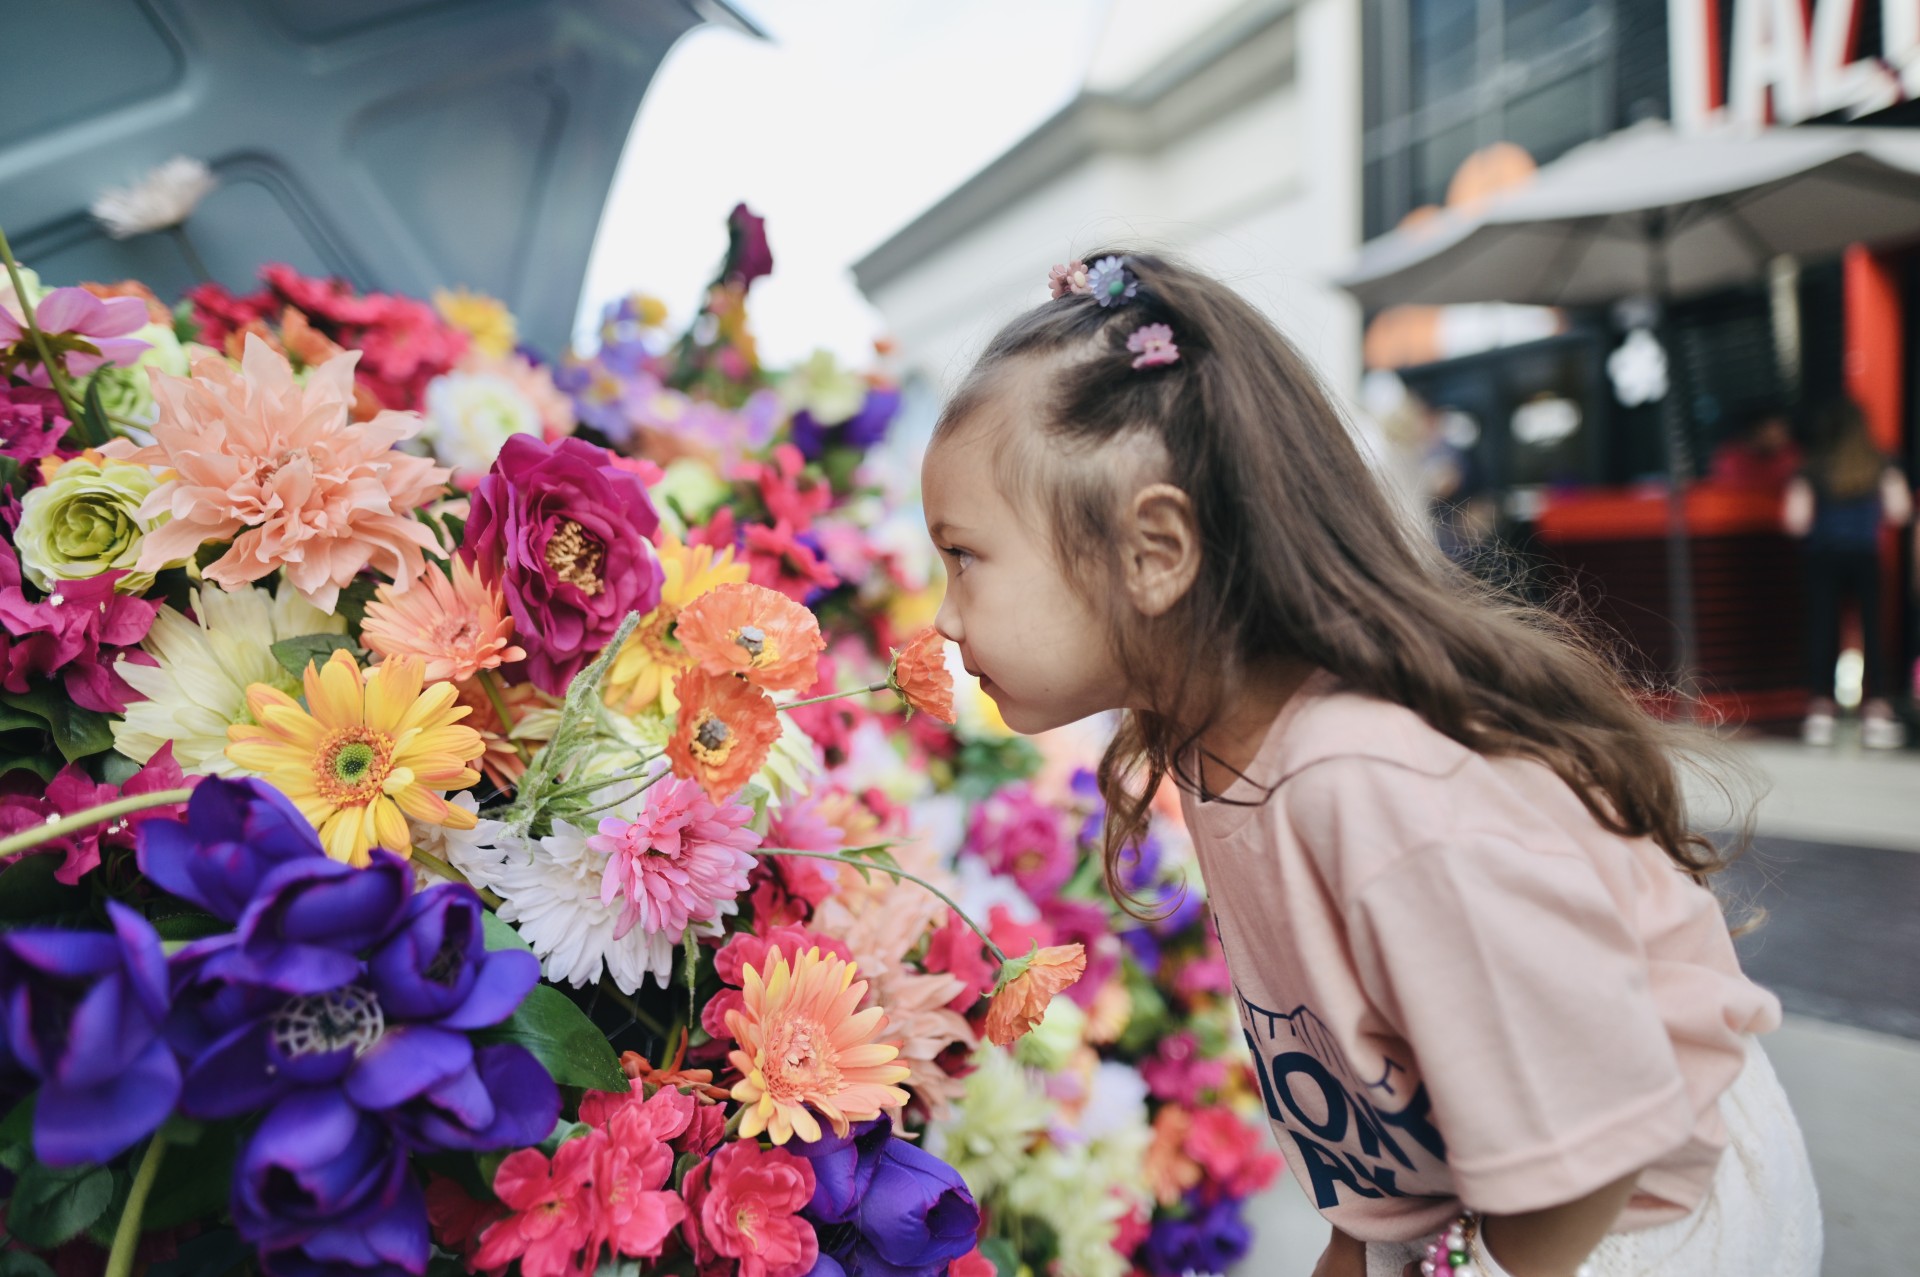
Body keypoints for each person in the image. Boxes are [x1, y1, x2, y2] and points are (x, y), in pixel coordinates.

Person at [921, 251, 1820, 1277]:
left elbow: (1583, 1152)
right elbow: (1384, 1079)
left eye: (963, 555)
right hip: (1513, 1193)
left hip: (1632, 1215)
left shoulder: (1379, 788)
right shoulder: (1220, 743)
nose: (944, 615)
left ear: (1156, 549)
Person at [1784, 398, 1912, 749]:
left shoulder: (1811, 468)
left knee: (1822, 629)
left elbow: (1796, 521)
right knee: (1874, 631)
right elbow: (1899, 511)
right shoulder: (1881, 463)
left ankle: (1820, 710)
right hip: (1866, 557)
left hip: (1822, 558)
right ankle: (1879, 709)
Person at [1708, 407, 1802, 494]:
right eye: (1778, 428)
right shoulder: (1731, 460)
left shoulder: (1789, 452)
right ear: (1758, 430)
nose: (1785, 435)